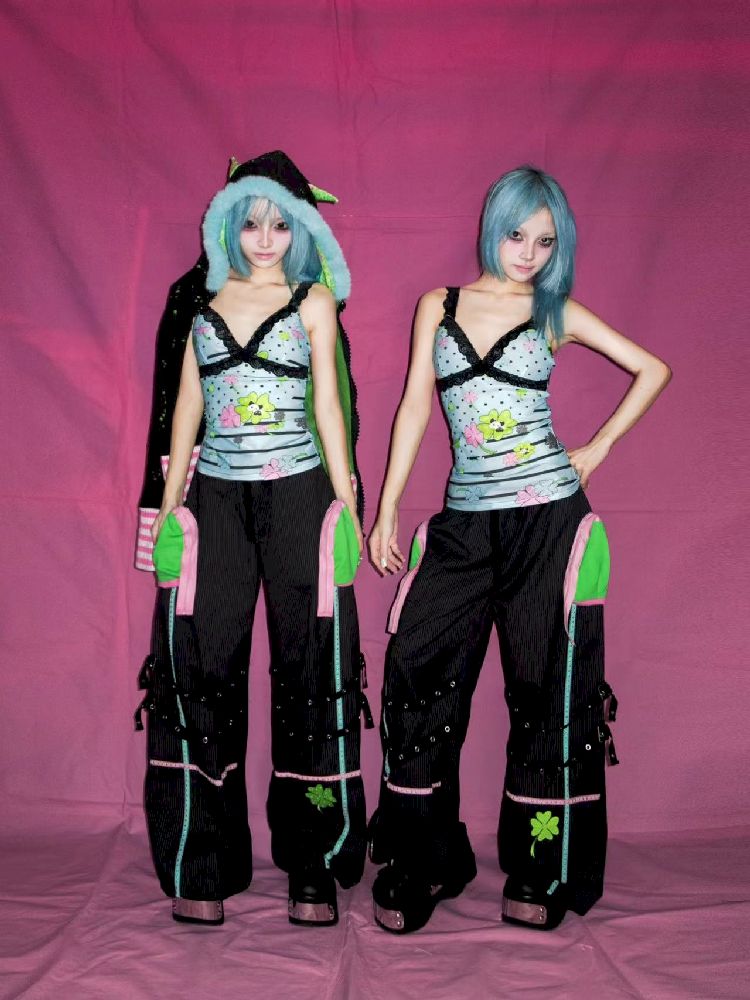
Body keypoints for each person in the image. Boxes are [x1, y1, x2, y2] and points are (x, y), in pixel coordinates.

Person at [366, 165, 671, 932]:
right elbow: (414, 405)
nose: (530, 254)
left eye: (546, 241)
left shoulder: (554, 311)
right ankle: (428, 858)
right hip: (465, 525)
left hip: (547, 521)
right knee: (418, 671)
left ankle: (539, 869)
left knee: (543, 687)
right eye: (516, 235)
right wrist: (389, 505)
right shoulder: (438, 306)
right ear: (491, 229)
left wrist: (598, 446)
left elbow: (652, 368)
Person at [133, 151, 370, 926]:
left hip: (299, 494)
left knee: (311, 665)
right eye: (252, 223)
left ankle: (313, 866)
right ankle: (202, 864)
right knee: (202, 666)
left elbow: (329, 406)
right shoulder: (202, 303)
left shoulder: (313, 301)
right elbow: (186, 409)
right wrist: (171, 506)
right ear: (229, 225)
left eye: (281, 224)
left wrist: (347, 501)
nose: (266, 238)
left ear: (300, 230)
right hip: (216, 500)